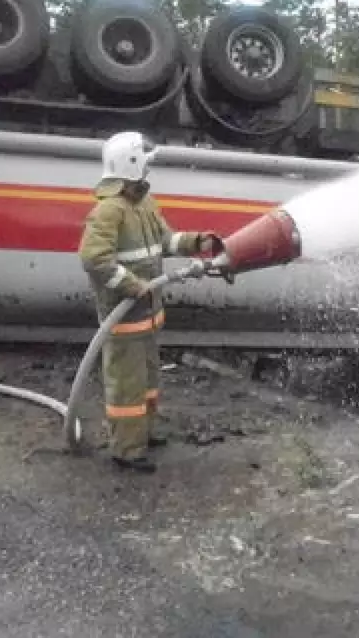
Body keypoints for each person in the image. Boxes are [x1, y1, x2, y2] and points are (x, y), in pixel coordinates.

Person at [77, 130, 223, 473]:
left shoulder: (144, 204)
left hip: (148, 316)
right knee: (127, 388)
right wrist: (131, 286)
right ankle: (127, 451)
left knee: (148, 382)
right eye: (144, 164)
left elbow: (165, 241)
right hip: (124, 319)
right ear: (130, 165)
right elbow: (94, 258)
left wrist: (197, 242)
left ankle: (144, 434)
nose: (147, 170)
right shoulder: (109, 211)